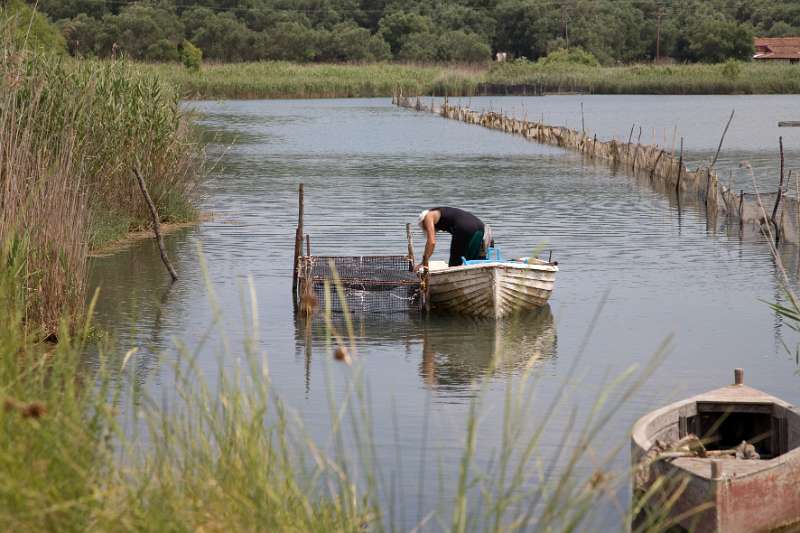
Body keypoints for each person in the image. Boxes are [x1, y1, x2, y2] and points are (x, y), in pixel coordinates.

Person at [416, 207, 492, 270]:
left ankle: (452, 280)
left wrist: (423, 263)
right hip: (481, 227)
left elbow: (431, 242)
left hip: (464, 228)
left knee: (455, 263)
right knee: (473, 261)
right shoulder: (442, 212)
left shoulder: (428, 217)